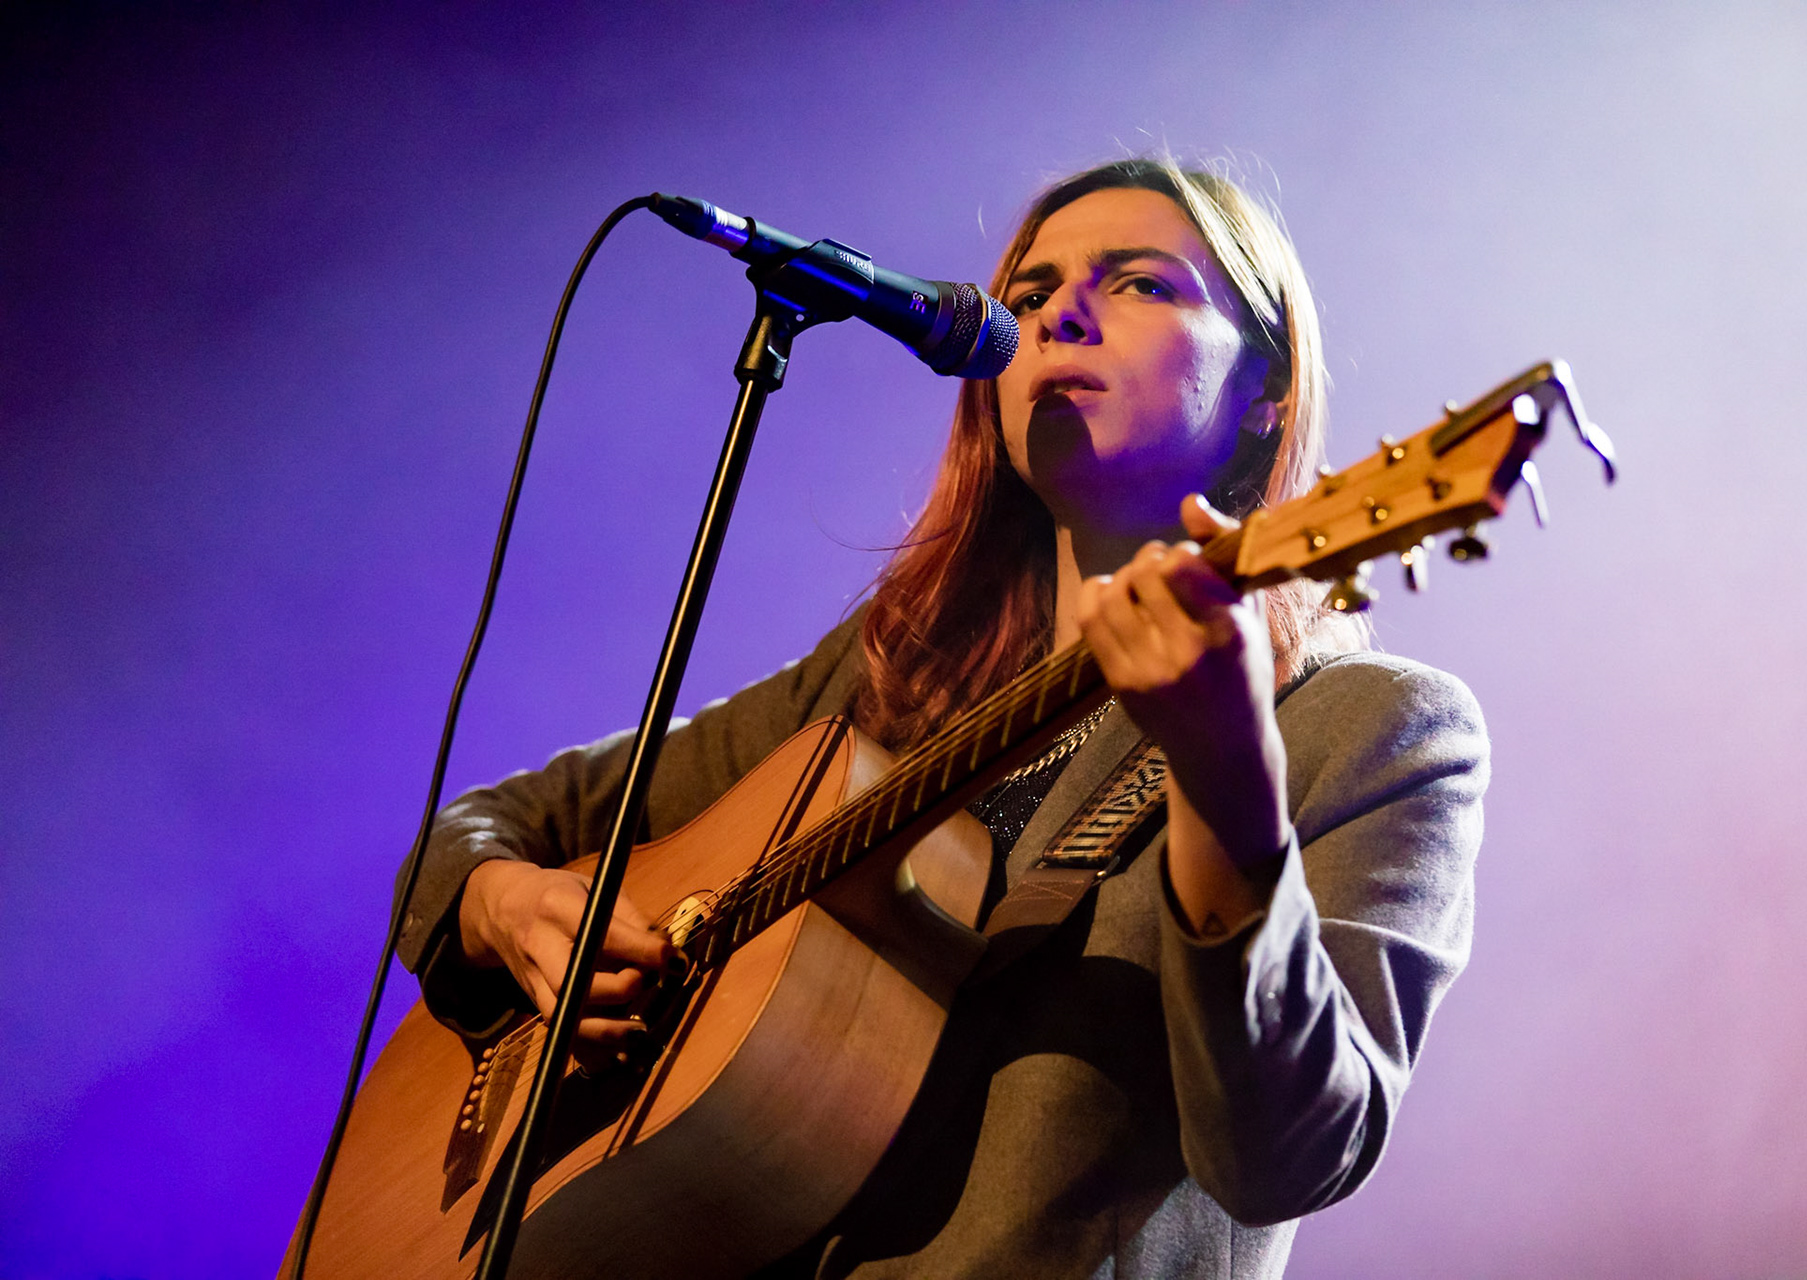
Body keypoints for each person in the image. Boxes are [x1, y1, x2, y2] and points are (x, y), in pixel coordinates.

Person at [396, 156, 1489, 1277]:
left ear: (1266, 390)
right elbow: (481, 828)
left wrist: (1225, 785)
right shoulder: (888, 676)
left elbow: (1293, 1152)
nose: (1059, 313)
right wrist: (507, 904)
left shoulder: (1375, 727)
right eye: (1028, 295)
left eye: (1141, 284)